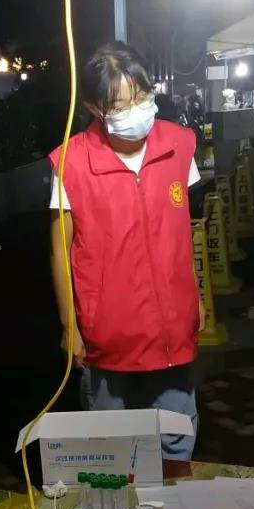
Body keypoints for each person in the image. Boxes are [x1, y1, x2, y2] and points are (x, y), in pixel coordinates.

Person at [49, 42, 204, 459]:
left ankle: (173, 497)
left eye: (143, 96)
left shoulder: (179, 144)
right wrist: (69, 326)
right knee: (112, 448)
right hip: (107, 335)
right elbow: (60, 251)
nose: (137, 111)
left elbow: (182, 232)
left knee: (175, 436)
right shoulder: (71, 162)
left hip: (172, 327)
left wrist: (197, 298)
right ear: (94, 108)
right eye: (121, 104)